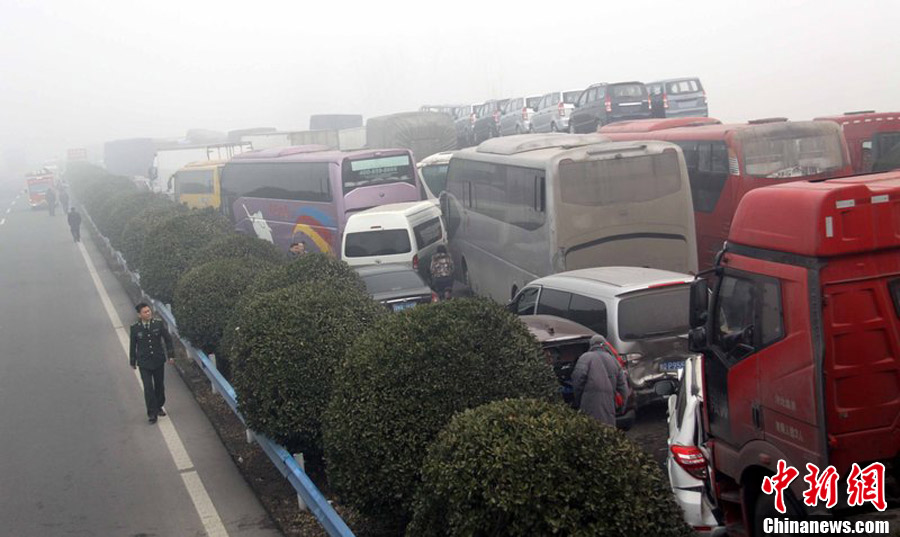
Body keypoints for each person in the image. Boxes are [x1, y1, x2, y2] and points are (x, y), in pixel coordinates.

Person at [129, 303, 175, 424]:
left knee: (159, 386)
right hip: (144, 363)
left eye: (149, 311)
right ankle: (152, 413)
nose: (148, 313)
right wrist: (132, 361)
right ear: (139, 314)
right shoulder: (135, 328)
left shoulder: (158, 324)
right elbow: (133, 345)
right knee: (148, 388)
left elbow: (168, 339)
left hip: (158, 360)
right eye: (145, 312)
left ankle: (159, 406)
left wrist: (170, 355)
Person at [571, 334, 629, 427]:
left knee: (591, 431)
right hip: (609, 405)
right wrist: (623, 406)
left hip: (588, 403)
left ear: (591, 345)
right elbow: (623, 386)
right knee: (608, 431)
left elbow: (577, 380)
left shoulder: (585, 358)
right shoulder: (613, 360)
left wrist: (578, 400)